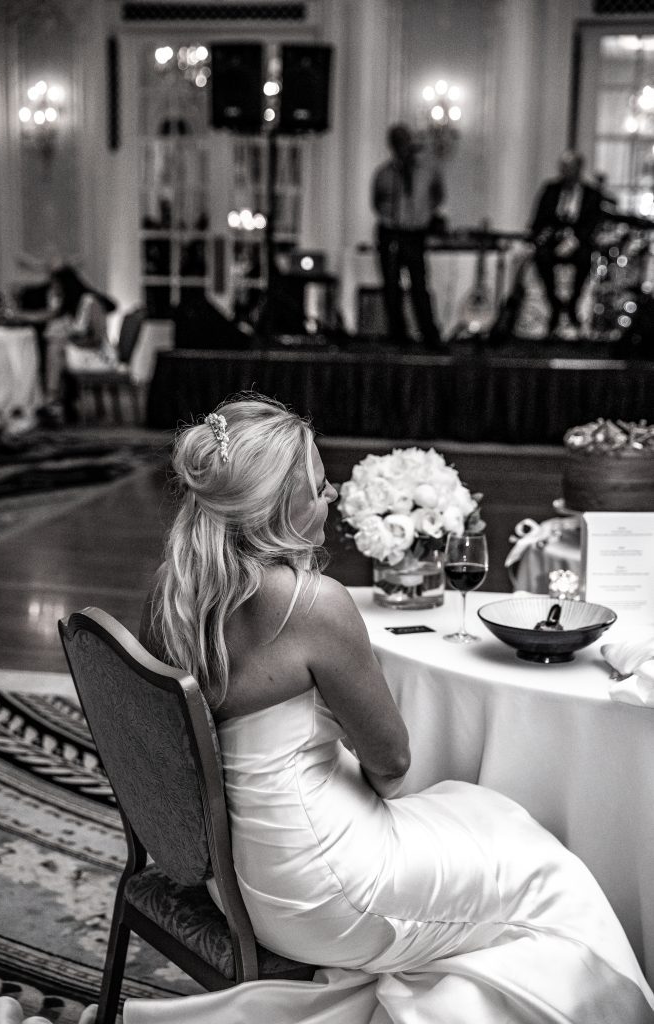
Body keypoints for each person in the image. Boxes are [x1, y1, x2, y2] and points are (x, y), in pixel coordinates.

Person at [126, 393, 654, 1024]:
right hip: (323, 891)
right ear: (278, 506)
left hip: (232, 872)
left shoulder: (174, 591)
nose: (332, 494)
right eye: (320, 485)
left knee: (492, 815)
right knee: (548, 872)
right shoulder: (312, 605)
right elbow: (393, 761)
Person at [371, 124, 445, 349]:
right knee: (392, 287)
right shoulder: (385, 174)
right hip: (391, 232)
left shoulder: (428, 171)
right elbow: (377, 202)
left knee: (419, 286)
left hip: (415, 233)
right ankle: (398, 335)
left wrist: (423, 216)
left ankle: (428, 334)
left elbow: (437, 196)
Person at [529, 150, 604, 335]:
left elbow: (593, 223)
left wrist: (575, 240)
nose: (566, 172)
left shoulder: (591, 194)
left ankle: (573, 305)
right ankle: (555, 305)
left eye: (570, 168)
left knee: (585, 259)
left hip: (580, 241)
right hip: (553, 240)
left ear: (579, 169)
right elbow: (538, 219)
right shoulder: (550, 189)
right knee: (541, 257)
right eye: (564, 168)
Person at [43, 265, 116, 414]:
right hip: (81, 352)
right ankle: (61, 401)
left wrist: (73, 343)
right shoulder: (71, 306)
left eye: (56, 285)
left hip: (99, 356)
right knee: (55, 348)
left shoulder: (90, 302)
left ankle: (53, 399)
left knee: (55, 350)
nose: (54, 289)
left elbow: (97, 338)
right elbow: (46, 316)